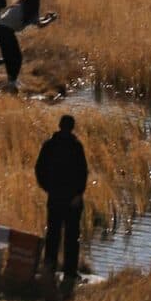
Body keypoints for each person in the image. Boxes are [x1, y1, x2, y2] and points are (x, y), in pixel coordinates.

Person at [35, 112, 88, 280]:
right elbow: (83, 173)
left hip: (55, 197)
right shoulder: (76, 146)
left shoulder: (49, 145)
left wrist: (48, 188)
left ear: (59, 125)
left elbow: (39, 169)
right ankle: (69, 272)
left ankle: (49, 269)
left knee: (53, 234)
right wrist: (79, 194)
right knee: (72, 237)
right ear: (72, 127)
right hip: (72, 200)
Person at [0, 0, 56, 87]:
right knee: (17, 57)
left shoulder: (21, 7)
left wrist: (46, 17)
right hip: (5, 31)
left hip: (1, 29)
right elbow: (40, 25)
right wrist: (51, 19)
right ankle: (12, 81)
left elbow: (36, 21)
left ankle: (11, 80)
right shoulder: (27, 11)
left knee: (11, 56)